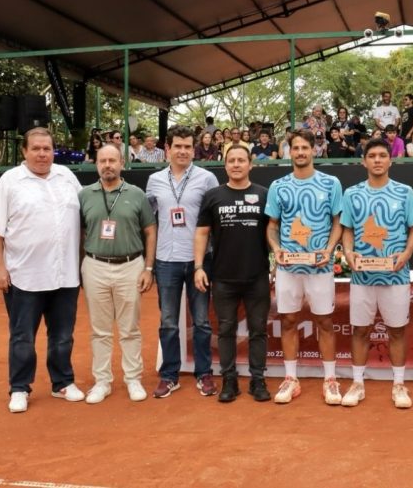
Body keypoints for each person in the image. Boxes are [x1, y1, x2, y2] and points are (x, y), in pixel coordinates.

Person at [0, 127, 85, 413]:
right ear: (25, 151)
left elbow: (86, 215)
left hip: (65, 275)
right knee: (22, 337)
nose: (42, 154)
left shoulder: (67, 177)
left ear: (53, 151)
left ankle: (62, 382)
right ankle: (19, 387)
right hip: (24, 276)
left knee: (63, 335)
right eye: (36, 149)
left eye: (47, 149)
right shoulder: (10, 181)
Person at [340, 138, 413, 409]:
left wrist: (407, 254)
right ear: (363, 161)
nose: (377, 160)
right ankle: (357, 383)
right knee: (360, 330)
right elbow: (348, 229)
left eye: (382, 155)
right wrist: (349, 253)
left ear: (390, 160)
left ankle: (399, 384)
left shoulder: (405, 192)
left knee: (396, 331)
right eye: (372, 155)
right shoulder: (352, 194)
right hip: (362, 277)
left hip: (396, 276)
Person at [265, 129, 344, 405]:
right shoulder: (278, 186)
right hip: (289, 268)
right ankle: (291, 379)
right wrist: (277, 251)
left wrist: (329, 249)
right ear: (290, 152)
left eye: (304, 148)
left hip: (320, 267)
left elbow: (338, 222)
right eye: (295, 148)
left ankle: (331, 380)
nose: (300, 152)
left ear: (314, 151)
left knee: (324, 321)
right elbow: (272, 226)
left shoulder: (331, 183)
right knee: (288, 321)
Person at [145, 125, 219, 399]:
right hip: (166, 260)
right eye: (178, 146)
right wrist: (149, 264)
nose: (183, 151)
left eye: (188, 146)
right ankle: (169, 374)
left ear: (194, 149)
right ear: (168, 148)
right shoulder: (154, 181)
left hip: (200, 260)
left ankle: (204, 373)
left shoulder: (207, 178)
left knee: (201, 321)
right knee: (168, 322)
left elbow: (213, 221)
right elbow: (149, 222)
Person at [79, 144, 157, 404]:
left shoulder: (136, 194)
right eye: (103, 161)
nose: (107, 165)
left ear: (122, 163)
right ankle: (102, 381)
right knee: (99, 330)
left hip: (130, 265)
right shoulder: (85, 195)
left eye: (112, 160)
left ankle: (132, 378)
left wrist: (148, 267)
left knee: (130, 328)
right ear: (96, 164)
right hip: (95, 265)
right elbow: (77, 232)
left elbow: (150, 230)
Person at [194, 145, 272, 402]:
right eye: (231, 160)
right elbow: (202, 232)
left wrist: (279, 262)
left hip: (257, 276)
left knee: (258, 330)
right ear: (225, 165)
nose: (236, 164)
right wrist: (197, 267)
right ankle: (229, 380)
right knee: (226, 330)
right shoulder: (213, 195)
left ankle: (257, 380)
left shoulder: (263, 194)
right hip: (223, 277)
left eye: (241, 160)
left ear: (251, 164)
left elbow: (273, 232)